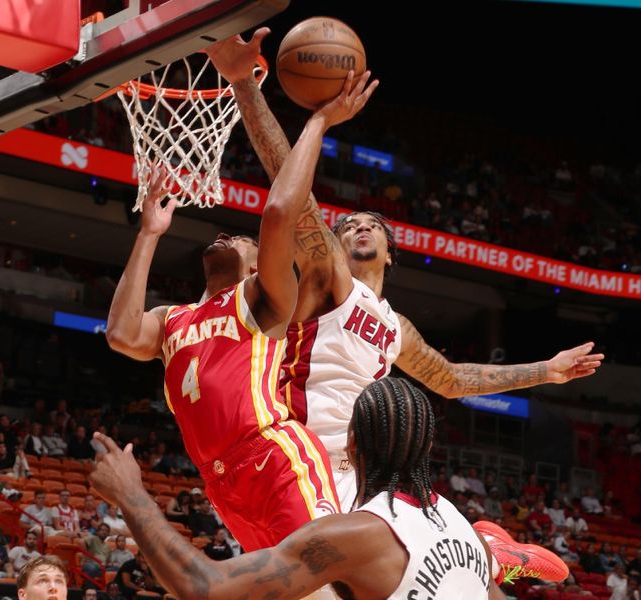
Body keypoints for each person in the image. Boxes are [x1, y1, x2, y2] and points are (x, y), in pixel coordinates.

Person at [206, 28, 604, 514]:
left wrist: (547, 371)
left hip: (355, 474)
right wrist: (245, 84)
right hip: (294, 454)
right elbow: (286, 181)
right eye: (348, 225)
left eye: (370, 224)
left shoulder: (397, 329)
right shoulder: (327, 273)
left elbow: (454, 379)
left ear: (391, 254)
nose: (358, 229)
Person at [103, 70, 377, 558]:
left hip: (273, 457)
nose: (227, 238)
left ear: (258, 262)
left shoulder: (261, 299)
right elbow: (121, 334)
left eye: (241, 239)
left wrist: (318, 122)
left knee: (330, 582)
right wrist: (148, 234)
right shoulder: (174, 320)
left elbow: (277, 216)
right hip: (220, 484)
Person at [88, 377, 570, 599]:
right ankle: (496, 557)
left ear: (352, 443)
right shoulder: (453, 516)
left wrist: (133, 495)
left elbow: (205, 586)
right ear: (428, 446)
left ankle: (500, 557)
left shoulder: (355, 536)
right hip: (464, 547)